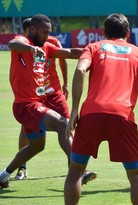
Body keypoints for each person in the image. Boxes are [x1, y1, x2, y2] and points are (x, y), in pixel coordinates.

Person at [64, 13, 138, 205]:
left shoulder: (94, 47)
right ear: (128, 33)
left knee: (76, 170)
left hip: (91, 114)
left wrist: (75, 110)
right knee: (136, 175)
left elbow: (80, 70)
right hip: (123, 116)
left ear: (104, 32)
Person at [0, 14, 95, 189]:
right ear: (33, 29)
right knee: (62, 124)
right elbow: (13, 44)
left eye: (49, 32)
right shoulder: (23, 42)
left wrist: (96, 52)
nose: (47, 36)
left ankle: (3, 175)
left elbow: (69, 53)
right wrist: (30, 50)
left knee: (36, 146)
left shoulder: (46, 46)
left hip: (38, 103)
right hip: (26, 105)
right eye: (44, 32)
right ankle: (81, 170)